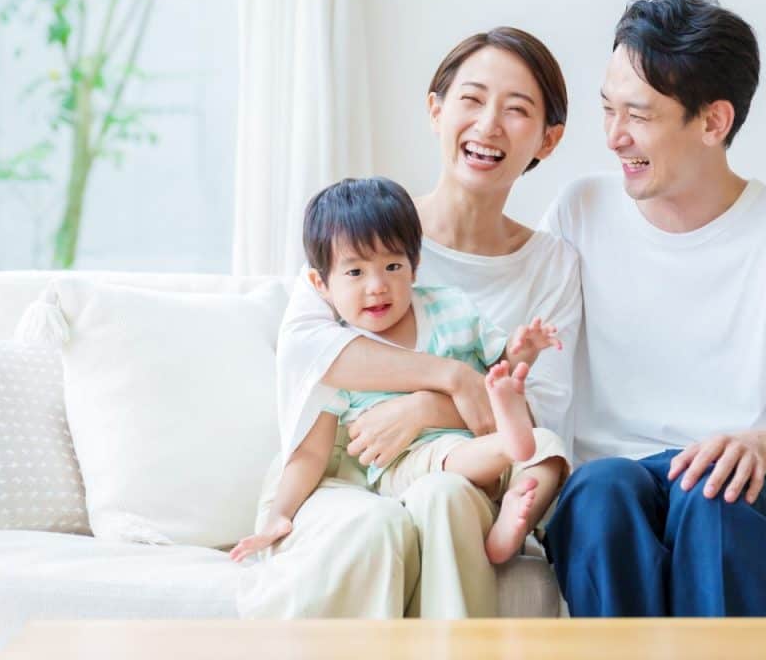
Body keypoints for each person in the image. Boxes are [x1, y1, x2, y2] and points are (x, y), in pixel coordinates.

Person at [541, 0, 766, 617]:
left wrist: (753, 447)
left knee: (711, 495)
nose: (613, 137)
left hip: (761, 494)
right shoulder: (579, 211)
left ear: (713, 122)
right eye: (607, 110)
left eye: (637, 115)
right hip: (626, 484)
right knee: (599, 490)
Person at [241, 28, 581, 618]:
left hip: (460, 470)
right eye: (471, 100)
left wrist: (426, 409)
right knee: (371, 529)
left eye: (517, 109)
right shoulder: (362, 233)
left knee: (454, 493)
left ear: (549, 140)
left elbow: (539, 409)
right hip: (345, 470)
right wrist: (452, 377)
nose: (489, 124)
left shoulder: (552, 264)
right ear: (436, 109)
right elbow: (311, 352)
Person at [230, 177, 569, 567]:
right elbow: (310, 452)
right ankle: (510, 450)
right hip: (412, 462)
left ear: (415, 265)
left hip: (483, 442)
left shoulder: (451, 307)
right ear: (320, 284)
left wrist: (521, 351)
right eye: (355, 273)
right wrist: (279, 515)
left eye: (392, 266)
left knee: (547, 448)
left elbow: (493, 379)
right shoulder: (337, 355)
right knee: (461, 454)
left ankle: (511, 517)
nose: (378, 286)